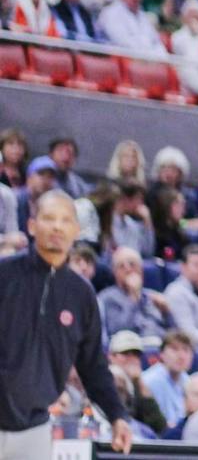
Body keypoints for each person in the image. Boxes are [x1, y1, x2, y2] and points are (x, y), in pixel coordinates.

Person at [0, 190, 132, 458]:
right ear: (32, 225)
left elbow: (93, 365)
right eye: (48, 218)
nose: (57, 226)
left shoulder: (82, 295)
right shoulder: (4, 274)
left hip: (34, 429)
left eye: (65, 220)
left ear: (76, 229)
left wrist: (117, 415)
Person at [98, 246, 174, 341]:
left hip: (160, 348)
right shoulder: (107, 298)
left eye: (132, 264)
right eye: (121, 266)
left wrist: (166, 312)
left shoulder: (152, 296)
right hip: (131, 351)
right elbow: (118, 332)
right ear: (114, 272)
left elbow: (174, 333)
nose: (128, 269)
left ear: (141, 270)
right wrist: (133, 297)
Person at [106, 331, 168, 436]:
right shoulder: (109, 379)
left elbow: (159, 426)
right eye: (125, 354)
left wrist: (140, 383)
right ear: (112, 356)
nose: (132, 359)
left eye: (136, 355)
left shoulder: (137, 384)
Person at [141, 330, 194, 429]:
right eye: (174, 349)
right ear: (162, 354)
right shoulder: (150, 380)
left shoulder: (188, 380)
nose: (181, 356)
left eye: (186, 350)